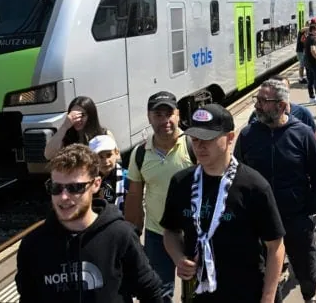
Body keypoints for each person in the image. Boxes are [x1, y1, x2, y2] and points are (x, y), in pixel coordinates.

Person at [161, 104, 286, 303]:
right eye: (195, 139)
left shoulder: (254, 186)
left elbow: (275, 247)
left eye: (207, 139)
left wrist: (268, 297)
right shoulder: (181, 183)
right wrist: (178, 257)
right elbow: (170, 231)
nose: (199, 146)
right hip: (199, 294)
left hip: (247, 294)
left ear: (230, 138)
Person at [16, 144, 164, 302]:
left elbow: (150, 291)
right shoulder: (33, 245)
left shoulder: (120, 235)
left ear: (96, 184)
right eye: (56, 187)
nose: (64, 197)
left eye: (75, 187)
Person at [237, 79, 316, 303]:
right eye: (256, 100)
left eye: (263, 101)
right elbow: (235, 175)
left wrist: (311, 213)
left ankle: (310, 296)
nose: (257, 106)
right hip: (260, 221)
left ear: (281, 105)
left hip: (296, 217)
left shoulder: (303, 134)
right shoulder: (248, 135)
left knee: (305, 268)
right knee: (266, 271)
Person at [124, 91, 196, 301]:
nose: (164, 120)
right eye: (158, 115)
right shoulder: (140, 154)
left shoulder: (194, 146)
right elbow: (134, 198)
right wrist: (132, 236)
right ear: (149, 117)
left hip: (193, 233)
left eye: (169, 114)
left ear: (178, 114)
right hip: (157, 234)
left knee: (196, 294)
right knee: (158, 293)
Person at [246, 76, 316, 139]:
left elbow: (313, 144)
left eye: (282, 89)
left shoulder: (303, 114)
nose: (256, 105)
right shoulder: (257, 115)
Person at [44, 96, 113, 160]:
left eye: (82, 115)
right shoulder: (66, 136)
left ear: (91, 116)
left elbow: (115, 159)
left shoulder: (104, 134)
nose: (77, 119)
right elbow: (48, 155)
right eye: (74, 116)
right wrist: (64, 127)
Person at [89, 134, 127, 212]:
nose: (105, 161)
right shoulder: (88, 180)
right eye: (100, 157)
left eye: (109, 155)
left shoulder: (127, 178)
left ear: (117, 153)